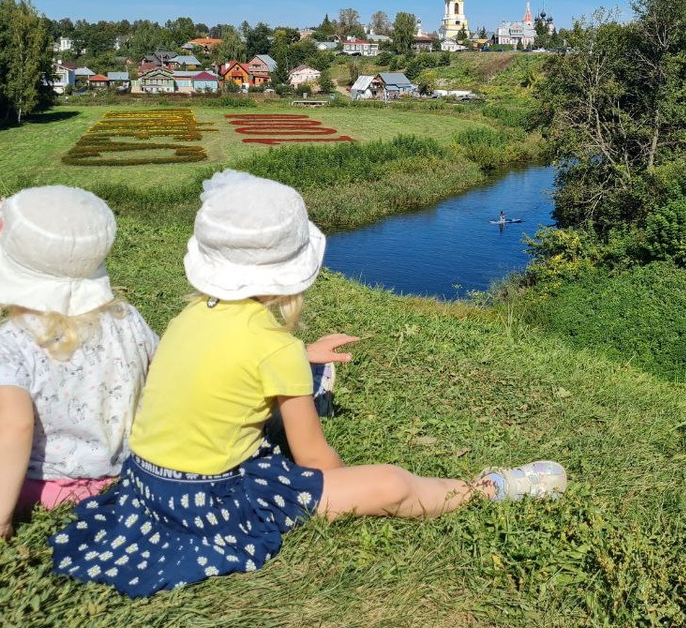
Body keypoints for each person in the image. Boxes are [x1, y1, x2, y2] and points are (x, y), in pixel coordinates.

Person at [51, 170, 566, 597]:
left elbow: (225, 368)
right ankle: (488, 489)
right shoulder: (273, 347)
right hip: (211, 501)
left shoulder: (189, 317)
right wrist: (339, 485)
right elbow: (314, 459)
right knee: (389, 483)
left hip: (144, 488)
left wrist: (303, 356)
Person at [0, 186, 160, 553]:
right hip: (123, 475)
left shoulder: (3, 347)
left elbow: (15, 427)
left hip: (41, 485)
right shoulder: (127, 318)